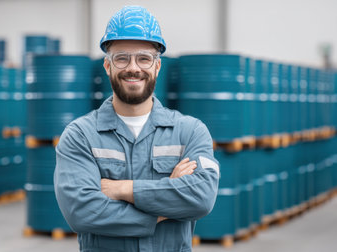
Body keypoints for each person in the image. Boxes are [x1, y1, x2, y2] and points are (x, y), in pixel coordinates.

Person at [54, 5, 219, 252]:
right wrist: (161, 211)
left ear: (157, 66)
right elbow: (81, 211)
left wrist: (122, 189)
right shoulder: (80, 136)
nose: (133, 68)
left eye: (144, 58)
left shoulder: (190, 132)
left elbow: (201, 198)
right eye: (122, 58)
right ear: (108, 66)